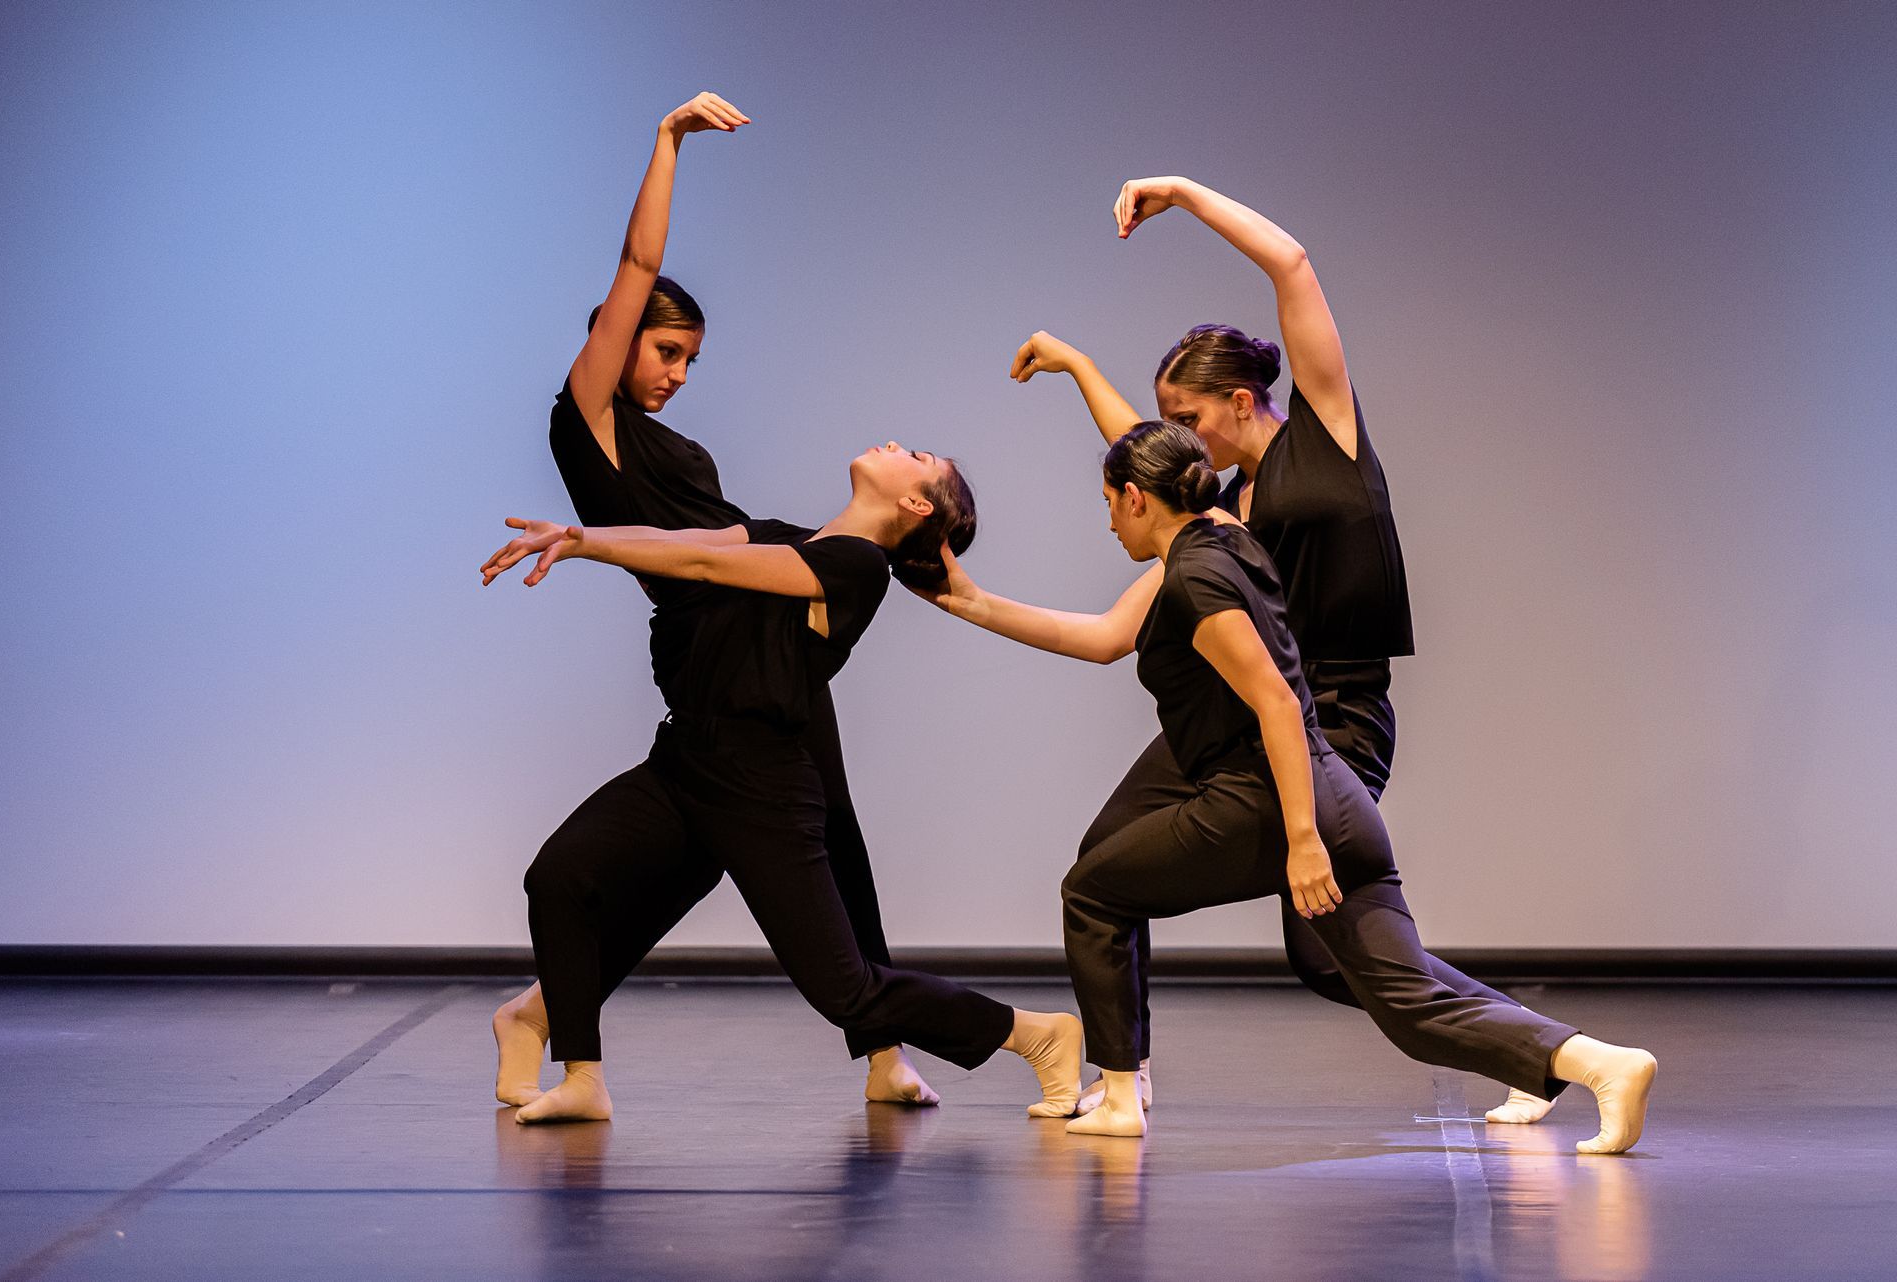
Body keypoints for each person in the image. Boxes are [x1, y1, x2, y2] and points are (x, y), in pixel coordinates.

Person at [923, 420, 1656, 1150]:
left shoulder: (1193, 580)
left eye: (1111, 500)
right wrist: (971, 601)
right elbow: (1103, 635)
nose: (1108, 520)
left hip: (1267, 802)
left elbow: (1274, 699)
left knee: (1092, 890)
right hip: (1340, 799)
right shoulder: (1225, 540)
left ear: (1140, 499)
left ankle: (1120, 1093)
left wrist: (1300, 842)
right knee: (1406, 999)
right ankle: (1603, 1064)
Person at [1007, 175, 1552, 1125]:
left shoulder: (1324, 436)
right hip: (1247, 718)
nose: (1178, 434)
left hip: (1330, 719)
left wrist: (1181, 192)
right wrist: (1075, 363)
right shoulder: (1225, 512)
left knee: (1326, 948)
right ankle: (1120, 1076)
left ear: (1243, 399)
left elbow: (1291, 262)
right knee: (1102, 866)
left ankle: (1521, 1047)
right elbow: (1138, 455)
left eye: (1190, 415)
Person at [492, 90, 937, 1109]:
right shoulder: (588, 420)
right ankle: (549, 1020)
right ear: (615, 339)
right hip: (708, 636)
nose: (679, 374)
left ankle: (881, 1052)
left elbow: (728, 539)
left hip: (754, 598)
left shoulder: (678, 445)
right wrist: (665, 143)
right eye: (665, 352)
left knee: (837, 828)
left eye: (691, 359)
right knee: (684, 869)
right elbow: (638, 269)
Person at [479, 441, 1084, 1125]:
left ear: (916, 503)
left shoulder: (858, 566)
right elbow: (678, 540)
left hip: (760, 785)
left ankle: (1034, 1034)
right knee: (559, 877)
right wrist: (574, 533)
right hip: (682, 760)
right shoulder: (782, 535)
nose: (895, 444)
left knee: (845, 991)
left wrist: (585, 546)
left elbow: (706, 562)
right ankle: (582, 1076)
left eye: (916, 455)